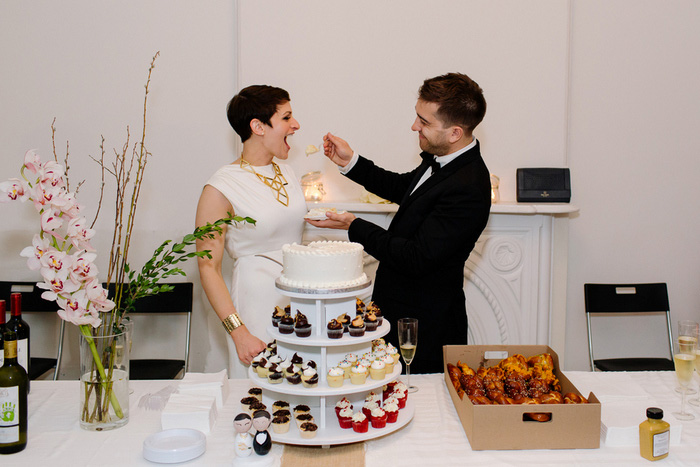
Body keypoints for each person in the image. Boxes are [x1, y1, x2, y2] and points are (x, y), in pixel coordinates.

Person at [308, 72, 491, 374]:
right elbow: (404, 189)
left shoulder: (469, 186)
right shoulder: (443, 158)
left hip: (426, 327)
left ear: (455, 132)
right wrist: (350, 161)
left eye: (424, 121)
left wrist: (354, 226)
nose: (414, 126)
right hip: (398, 313)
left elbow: (415, 257)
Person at [196, 85, 307, 378]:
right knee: (263, 398)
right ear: (258, 126)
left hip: (299, 299)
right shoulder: (220, 187)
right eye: (286, 118)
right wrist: (239, 332)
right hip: (257, 303)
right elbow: (208, 267)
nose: (295, 125)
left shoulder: (288, 172)